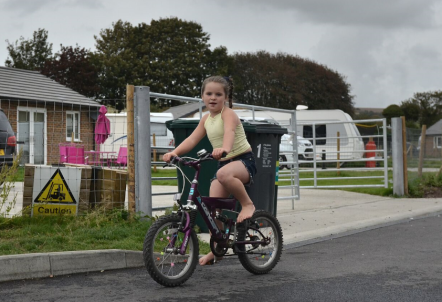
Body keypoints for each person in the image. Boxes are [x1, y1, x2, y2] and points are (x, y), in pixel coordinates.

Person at [163, 76, 257, 266]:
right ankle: (218, 249)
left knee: (223, 175)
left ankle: (247, 204)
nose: (213, 98)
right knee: (213, 210)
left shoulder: (228, 114)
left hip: (242, 161)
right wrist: (174, 152)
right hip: (224, 164)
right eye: (209, 93)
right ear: (202, 96)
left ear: (225, 97)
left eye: (218, 94)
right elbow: (191, 140)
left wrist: (225, 148)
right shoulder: (206, 119)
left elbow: (229, 132)